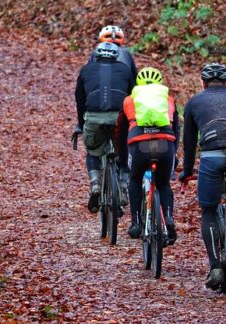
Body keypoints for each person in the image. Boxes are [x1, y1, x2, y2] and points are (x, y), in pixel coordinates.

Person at [178, 63, 226, 290]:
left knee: (208, 210)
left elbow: (189, 143)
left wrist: (188, 171)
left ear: (202, 82)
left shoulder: (193, 102)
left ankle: (217, 267)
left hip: (211, 156)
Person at [116, 67, 179, 244]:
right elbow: (175, 130)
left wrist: (121, 156)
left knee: (135, 179)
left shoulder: (129, 100)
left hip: (139, 145)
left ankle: (136, 222)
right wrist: (175, 153)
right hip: (165, 144)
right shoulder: (168, 100)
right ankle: (168, 217)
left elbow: (120, 131)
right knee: (164, 184)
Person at [74, 42, 135, 213]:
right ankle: (123, 186)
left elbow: (80, 100)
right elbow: (133, 96)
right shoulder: (125, 69)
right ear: (116, 56)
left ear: (96, 56)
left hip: (94, 117)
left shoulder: (86, 70)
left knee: (93, 151)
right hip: (119, 118)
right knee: (123, 150)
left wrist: (81, 123)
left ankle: (95, 184)